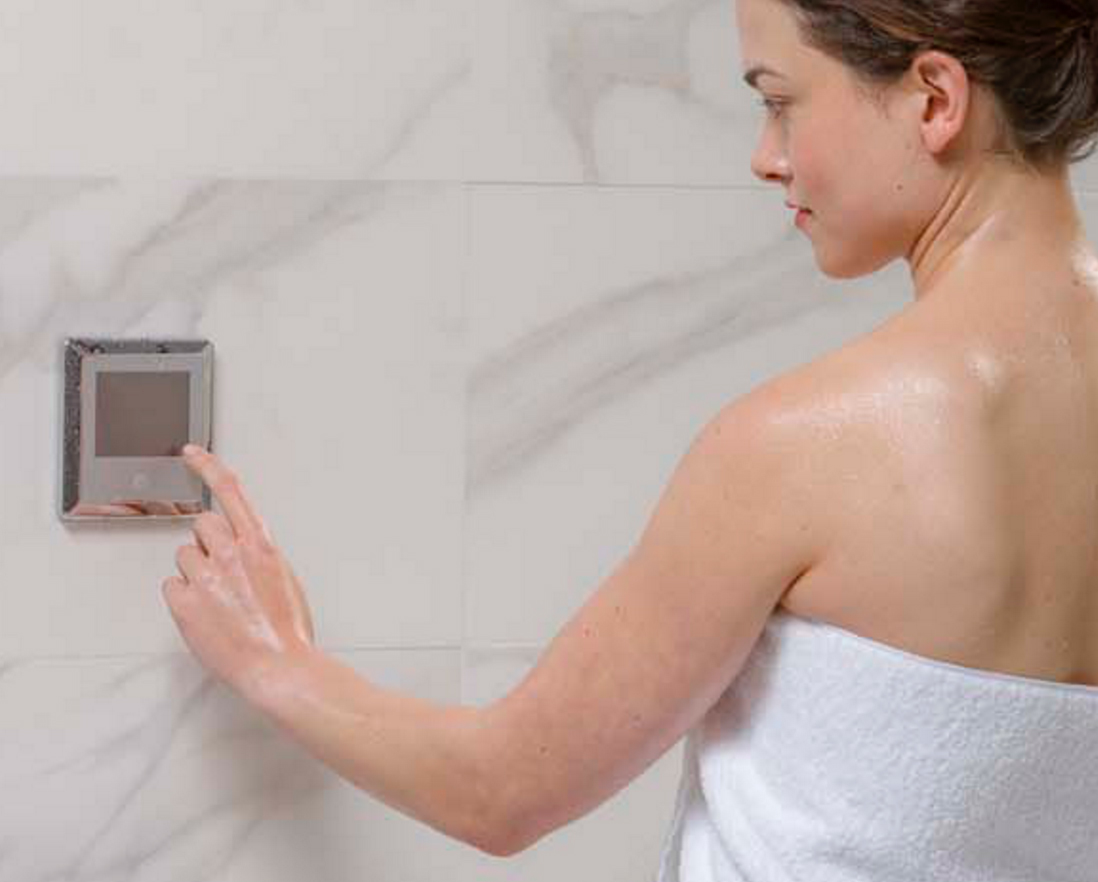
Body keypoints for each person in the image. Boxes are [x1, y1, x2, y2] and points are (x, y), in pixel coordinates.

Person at [162, 0, 1098, 875]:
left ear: (935, 99)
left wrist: (274, 662)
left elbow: (501, 790)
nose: (765, 157)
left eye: (780, 103)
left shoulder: (807, 447)